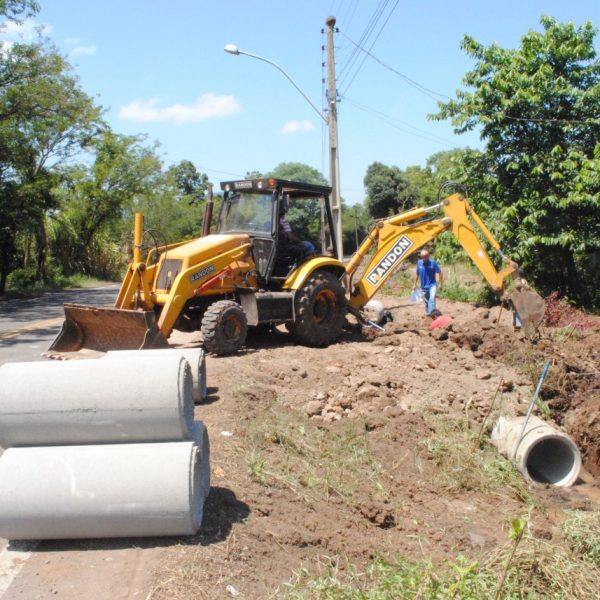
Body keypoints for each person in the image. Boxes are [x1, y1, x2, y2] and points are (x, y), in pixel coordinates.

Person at [412, 248, 443, 317]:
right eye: (423, 257)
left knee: (431, 300)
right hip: (423, 287)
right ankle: (429, 315)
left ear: (428, 255)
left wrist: (441, 284)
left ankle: (433, 315)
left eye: (426, 256)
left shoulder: (433, 263)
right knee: (426, 302)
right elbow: (417, 274)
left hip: (432, 285)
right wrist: (414, 284)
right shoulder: (419, 263)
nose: (424, 258)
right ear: (421, 257)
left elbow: (440, 272)